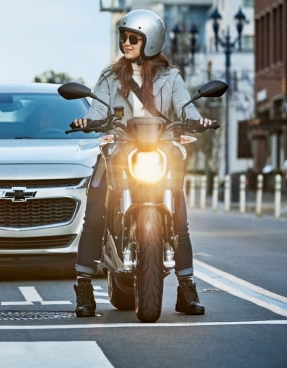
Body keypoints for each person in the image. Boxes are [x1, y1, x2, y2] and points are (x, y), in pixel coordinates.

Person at [70, 9, 214, 317]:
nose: (126, 43)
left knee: (179, 213)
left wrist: (198, 119)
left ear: (150, 41)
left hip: (159, 150)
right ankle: (84, 287)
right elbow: (97, 111)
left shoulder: (171, 77)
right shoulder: (110, 77)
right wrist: (87, 120)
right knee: (94, 211)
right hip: (120, 150)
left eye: (134, 38)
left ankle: (186, 288)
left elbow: (185, 110)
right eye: (124, 37)